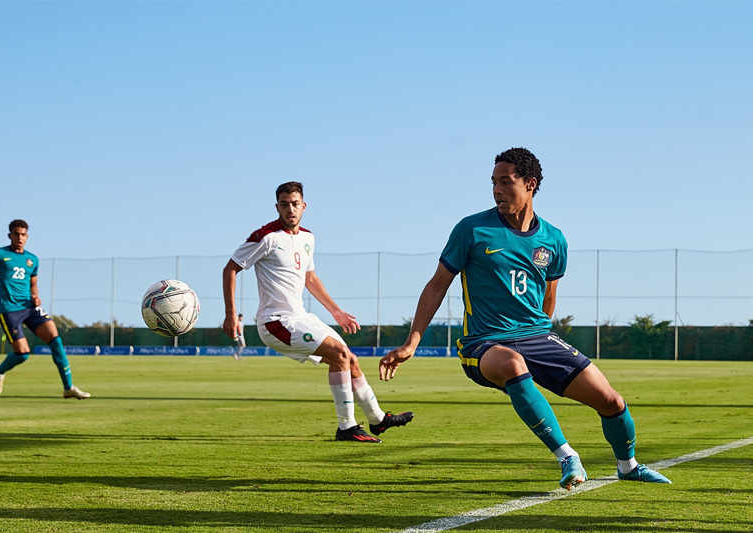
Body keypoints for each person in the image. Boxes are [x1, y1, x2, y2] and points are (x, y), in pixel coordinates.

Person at [379, 148, 670, 488]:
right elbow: (436, 286)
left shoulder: (554, 239)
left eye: (506, 182)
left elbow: (549, 298)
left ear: (530, 184)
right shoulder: (472, 229)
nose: (497, 190)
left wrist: (542, 339)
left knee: (611, 400)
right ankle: (568, 458)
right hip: (483, 344)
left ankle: (628, 465)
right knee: (514, 364)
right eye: (493, 183)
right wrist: (412, 341)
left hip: (538, 338)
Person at [223, 181, 413, 443]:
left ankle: (378, 420)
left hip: (301, 318)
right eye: (284, 204)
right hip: (275, 322)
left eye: (295, 204)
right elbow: (231, 268)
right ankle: (346, 427)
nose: (290, 209)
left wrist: (336, 312)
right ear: (277, 207)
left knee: (350, 359)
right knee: (339, 353)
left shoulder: (308, 238)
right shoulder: (265, 237)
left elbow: (310, 278)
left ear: (304, 206)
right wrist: (231, 313)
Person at [0, 219, 91, 399]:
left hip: (30, 307)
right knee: (23, 354)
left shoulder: (32, 259)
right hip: (9, 309)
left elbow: (33, 284)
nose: (20, 237)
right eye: (16, 234)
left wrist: (36, 296)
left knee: (56, 341)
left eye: (23, 234)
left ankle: (69, 388)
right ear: (9, 235)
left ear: (27, 236)